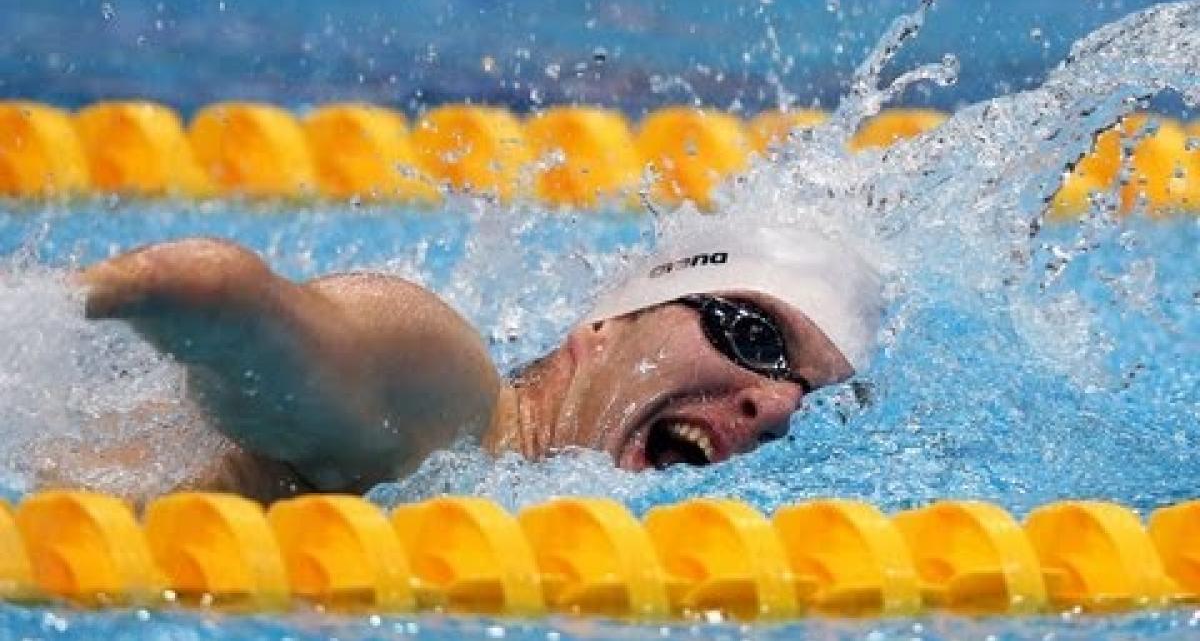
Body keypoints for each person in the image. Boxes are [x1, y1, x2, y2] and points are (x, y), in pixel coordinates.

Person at [73, 224, 882, 502]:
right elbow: (244, 312)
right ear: (604, 325)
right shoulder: (454, 403)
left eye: (808, 395)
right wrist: (200, 297)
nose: (776, 405)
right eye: (752, 334)